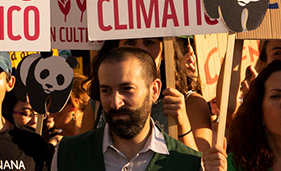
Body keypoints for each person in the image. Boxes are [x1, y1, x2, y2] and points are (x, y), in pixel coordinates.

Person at [43, 47, 210, 171]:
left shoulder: (188, 165)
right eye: (106, 90)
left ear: (154, 90)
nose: (115, 102)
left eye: (127, 89)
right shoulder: (69, 154)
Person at [84, 37, 213, 153]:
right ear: (116, 48)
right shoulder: (98, 104)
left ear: (163, 51)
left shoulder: (191, 104)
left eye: (149, 42)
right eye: (130, 42)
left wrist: (182, 123)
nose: (140, 49)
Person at [47, 74, 89, 146]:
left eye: (55, 103)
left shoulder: (97, 140)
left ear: (73, 105)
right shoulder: (53, 141)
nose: (48, 109)